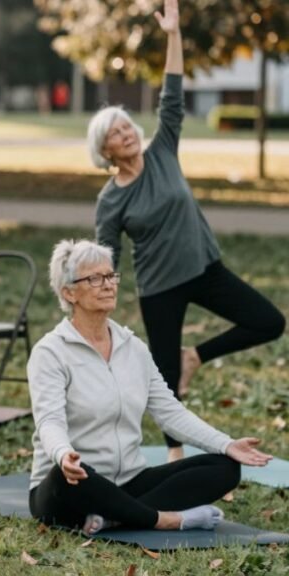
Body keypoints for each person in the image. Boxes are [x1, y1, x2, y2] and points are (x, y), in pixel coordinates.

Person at [90, 0, 284, 461]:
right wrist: (97, 300)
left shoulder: (162, 151)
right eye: (116, 133)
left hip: (204, 267)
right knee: (164, 377)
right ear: (106, 151)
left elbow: (171, 92)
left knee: (269, 321)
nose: (127, 133)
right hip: (160, 288)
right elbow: (106, 254)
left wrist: (173, 34)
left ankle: (197, 354)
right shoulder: (111, 198)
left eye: (127, 125)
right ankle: (174, 453)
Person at [27, 239, 272, 536]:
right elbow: (49, 421)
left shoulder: (134, 349)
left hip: (130, 480)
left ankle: (116, 517)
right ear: (69, 292)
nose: (108, 285)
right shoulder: (50, 352)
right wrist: (64, 454)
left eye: (110, 275)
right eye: (94, 278)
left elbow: (170, 413)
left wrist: (226, 443)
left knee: (225, 467)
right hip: (74, 481)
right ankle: (164, 519)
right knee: (64, 480)